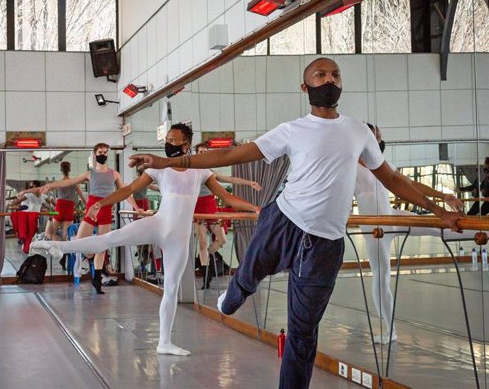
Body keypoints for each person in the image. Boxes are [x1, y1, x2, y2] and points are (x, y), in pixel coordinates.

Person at [129, 58, 463, 388]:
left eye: (335, 74)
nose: (329, 80)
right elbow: (231, 155)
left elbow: (391, 178)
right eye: (320, 75)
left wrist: (439, 212)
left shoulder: (358, 131)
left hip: (325, 244)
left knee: (303, 335)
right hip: (283, 222)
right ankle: (234, 295)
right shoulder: (292, 130)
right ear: (306, 87)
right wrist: (169, 161)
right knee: (248, 276)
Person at [31, 123, 259, 356]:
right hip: (158, 223)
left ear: (185, 145)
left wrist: (256, 209)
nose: (167, 144)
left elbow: (227, 197)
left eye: (172, 140)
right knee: (110, 238)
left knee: (171, 289)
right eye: (166, 140)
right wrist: (102, 202)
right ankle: (58, 246)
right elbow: (128, 190)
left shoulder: (201, 171)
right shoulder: (158, 168)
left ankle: (164, 342)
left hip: (179, 237)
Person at [354, 124, 464, 344]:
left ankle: (475, 231)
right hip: (376, 228)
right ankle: (389, 330)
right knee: (381, 277)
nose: (380, 141)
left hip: (393, 217)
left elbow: (409, 183)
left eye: (380, 137)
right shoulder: (350, 167)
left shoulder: (383, 166)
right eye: (376, 138)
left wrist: (443, 196)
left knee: (440, 226)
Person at [39, 143, 142, 294]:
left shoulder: (114, 174)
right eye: (100, 152)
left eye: (106, 152)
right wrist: (51, 185)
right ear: (95, 154)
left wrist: (136, 207)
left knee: (102, 246)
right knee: (81, 242)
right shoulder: (90, 173)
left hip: (106, 210)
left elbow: (125, 192)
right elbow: (69, 182)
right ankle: (93, 261)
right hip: (91, 210)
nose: (103, 154)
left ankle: (97, 279)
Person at [193, 142, 261, 288]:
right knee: (202, 243)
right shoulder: (192, 170)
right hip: (198, 210)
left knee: (222, 240)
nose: (203, 155)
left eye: (205, 152)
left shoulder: (209, 171)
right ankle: (206, 276)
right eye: (200, 152)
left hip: (211, 209)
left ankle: (204, 260)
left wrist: (248, 183)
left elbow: (228, 179)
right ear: (196, 153)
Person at [47, 161, 87, 241]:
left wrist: (52, 203)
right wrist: (87, 205)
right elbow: (81, 196)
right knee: (66, 234)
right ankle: (65, 251)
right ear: (69, 170)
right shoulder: (75, 183)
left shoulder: (58, 183)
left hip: (60, 206)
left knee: (50, 233)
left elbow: (48, 193)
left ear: (61, 170)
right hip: (70, 207)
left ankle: (58, 248)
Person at [13, 180, 51, 253]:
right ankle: (27, 246)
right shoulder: (31, 195)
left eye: (32, 186)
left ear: (34, 186)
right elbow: (51, 203)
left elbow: (18, 201)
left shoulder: (41, 196)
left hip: (34, 216)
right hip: (29, 215)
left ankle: (29, 246)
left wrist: (13, 203)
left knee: (33, 232)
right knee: (29, 232)